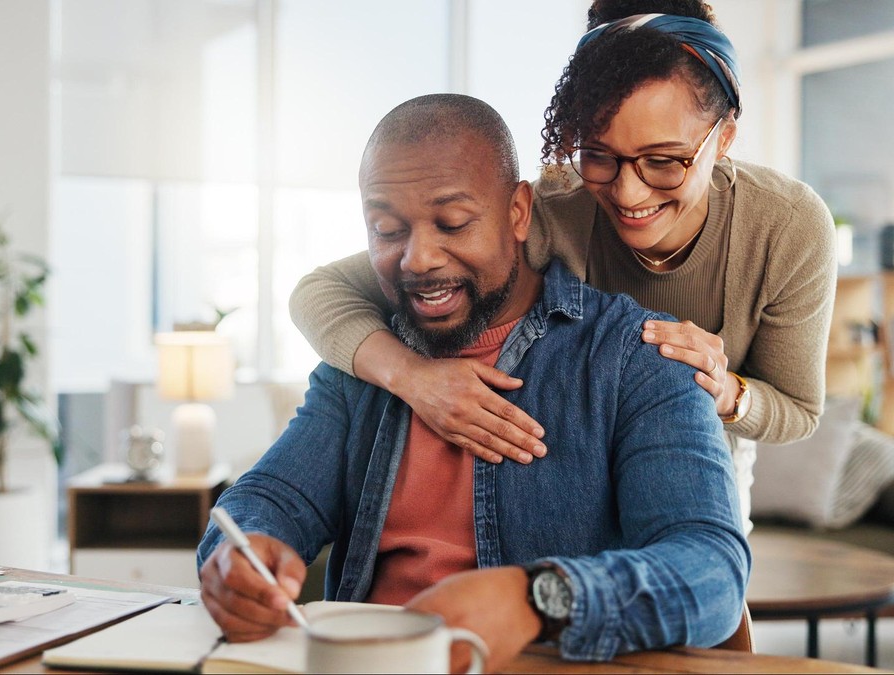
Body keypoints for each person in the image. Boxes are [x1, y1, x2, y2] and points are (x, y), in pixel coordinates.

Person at [197, 93, 748, 671]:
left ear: (518, 212)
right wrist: (241, 555)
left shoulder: (636, 357)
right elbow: (272, 499)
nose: (417, 259)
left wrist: (538, 598)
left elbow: (710, 571)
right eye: (386, 229)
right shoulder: (360, 367)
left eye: (453, 223)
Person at [287, 0, 837, 532]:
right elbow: (323, 292)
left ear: (724, 139)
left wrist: (728, 392)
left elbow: (799, 410)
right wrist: (414, 379)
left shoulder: (788, 227)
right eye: (599, 155)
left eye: (664, 162)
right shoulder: (553, 209)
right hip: (572, 466)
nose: (627, 192)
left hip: (701, 464)